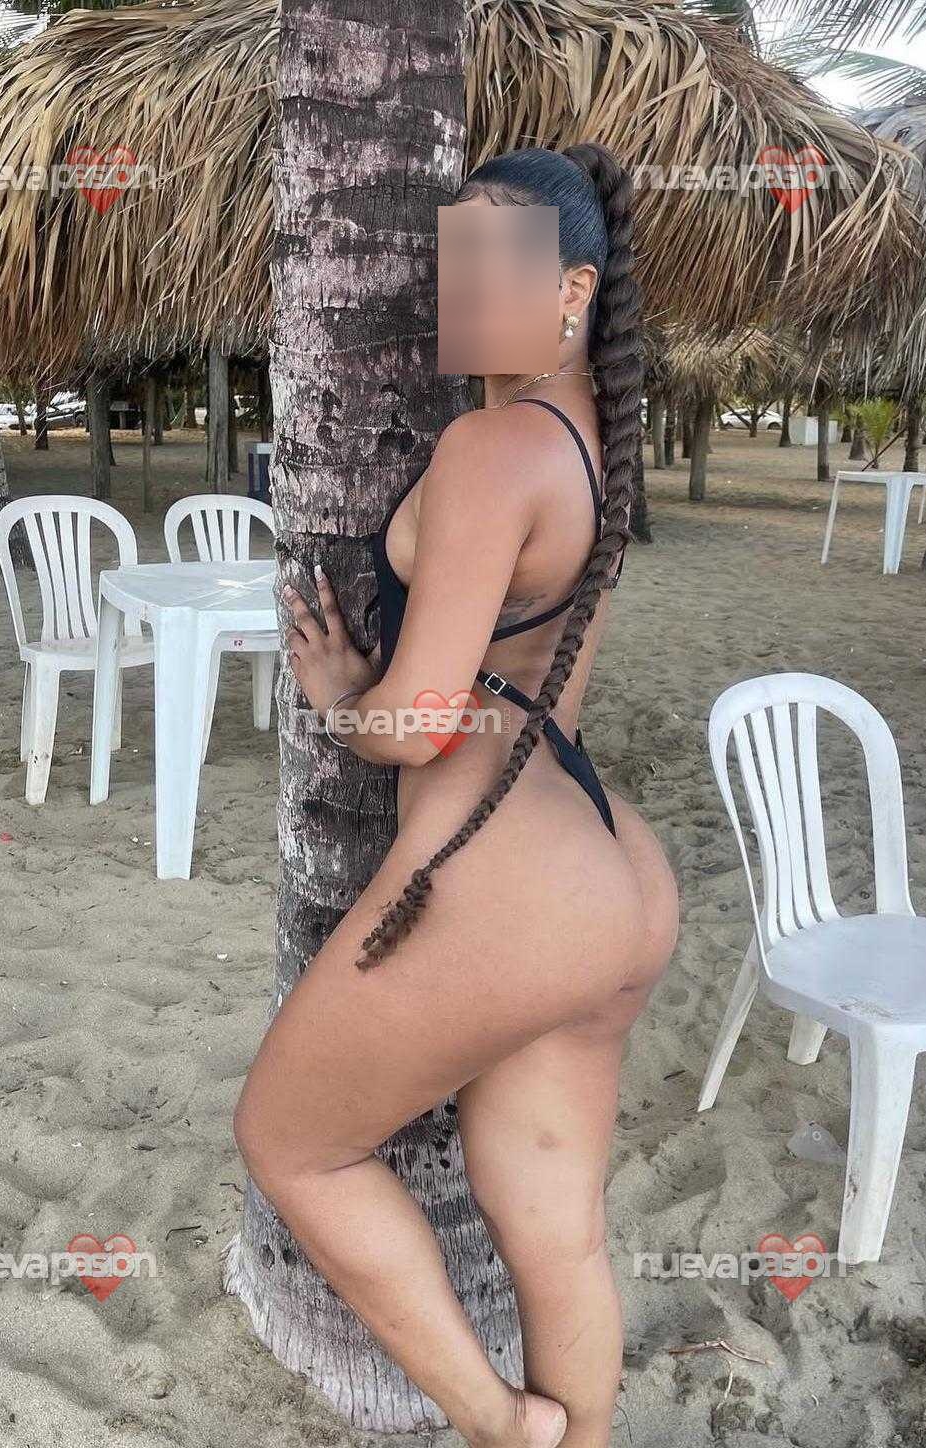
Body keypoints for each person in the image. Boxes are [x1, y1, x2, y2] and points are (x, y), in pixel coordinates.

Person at [233, 143, 679, 1448]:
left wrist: (341, 697)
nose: (462, 290)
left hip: (509, 885)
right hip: (608, 877)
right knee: (556, 1231)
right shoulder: (590, 446)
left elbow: (421, 724)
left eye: (496, 262)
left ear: (571, 289)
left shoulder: (493, 446)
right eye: (453, 263)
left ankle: (501, 1423)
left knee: (292, 1144)